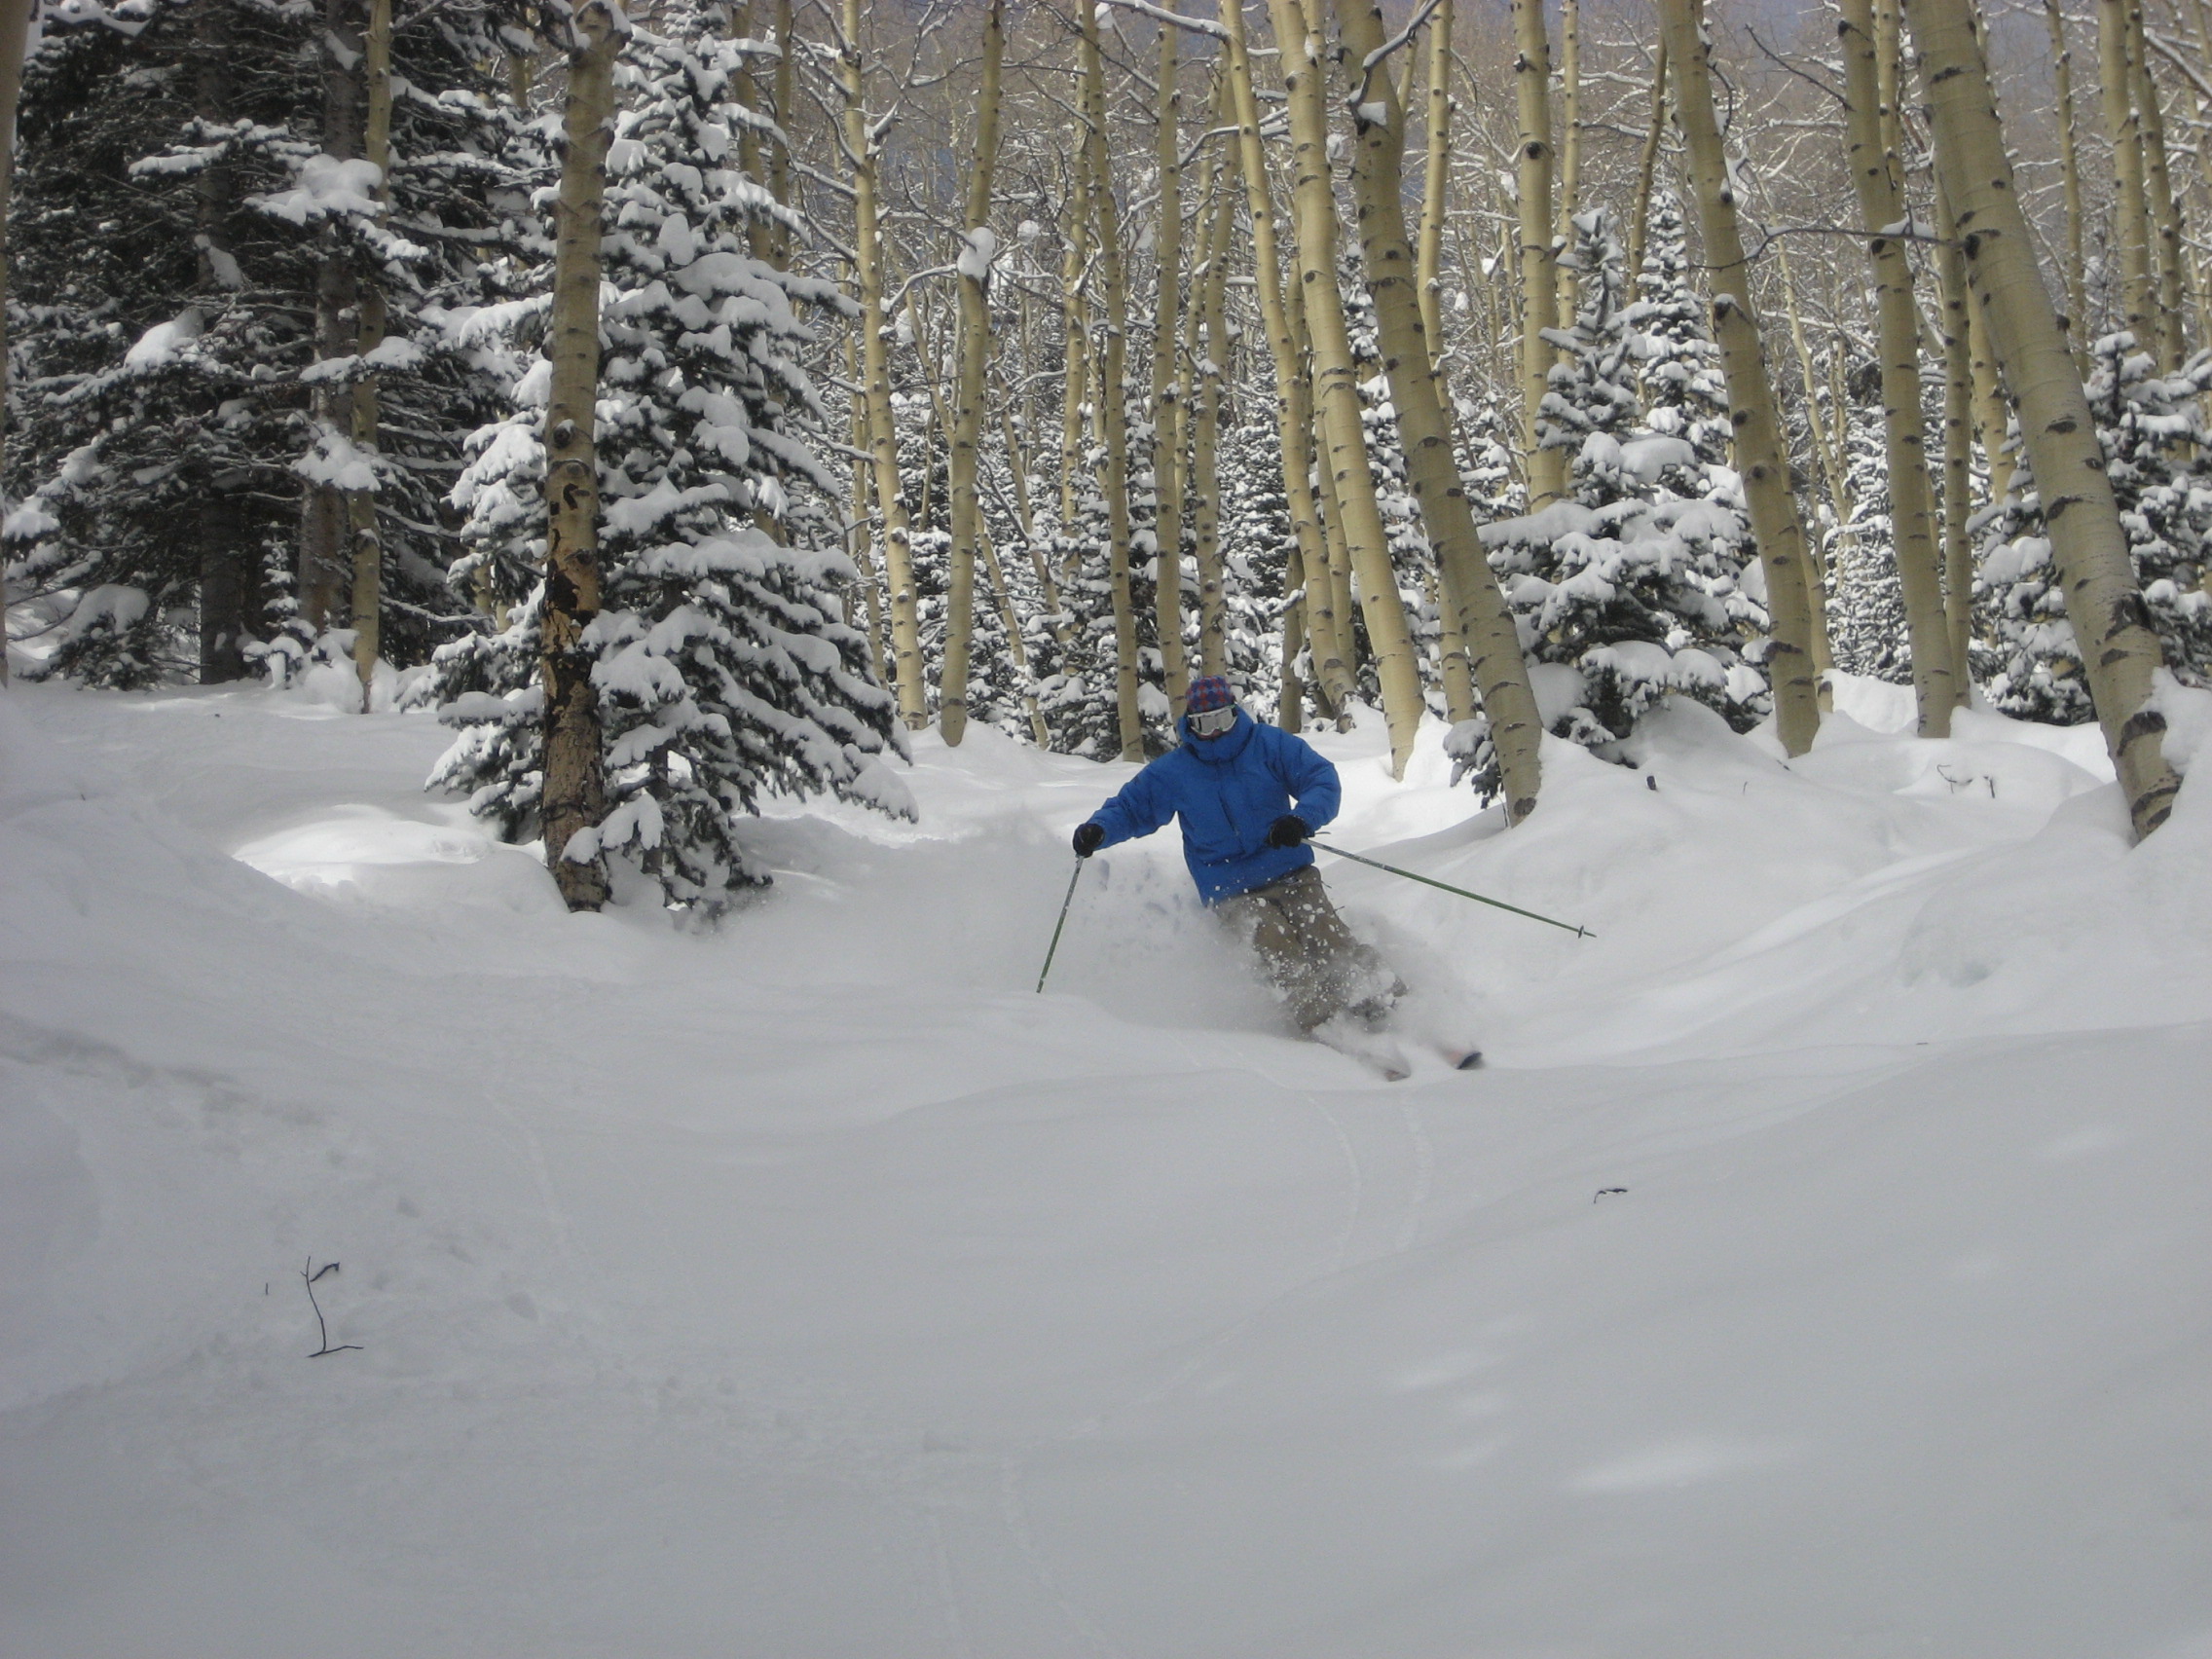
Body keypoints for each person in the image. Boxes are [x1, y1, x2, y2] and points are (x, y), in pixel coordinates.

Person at [1072, 675, 1403, 1036]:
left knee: (1325, 933)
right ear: (1190, 725)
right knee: (1276, 944)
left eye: (1222, 719)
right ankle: (1325, 1025)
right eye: (1205, 723)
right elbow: (1132, 807)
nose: (1215, 731)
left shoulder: (1269, 744)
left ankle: (1386, 1003)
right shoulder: (1174, 771)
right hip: (1230, 887)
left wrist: (1301, 819)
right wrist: (1099, 829)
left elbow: (1320, 778)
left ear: (1235, 712)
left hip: (1289, 870)